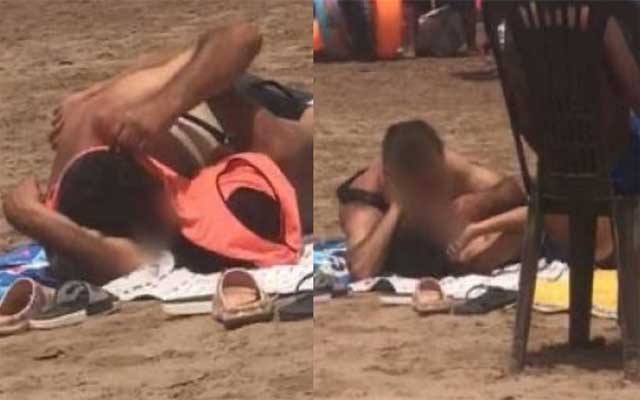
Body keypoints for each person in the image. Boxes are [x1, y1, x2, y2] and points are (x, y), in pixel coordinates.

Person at [2, 22, 313, 285]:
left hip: (223, 95)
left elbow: (242, 35)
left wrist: (163, 108)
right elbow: (119, 258)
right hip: (209, 114)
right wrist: (27, 215)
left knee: (289, 151)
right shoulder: (73, 207)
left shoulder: (115, 111)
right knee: (282, 167)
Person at [338, 119, 529, 280]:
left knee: (527, 231)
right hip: (408, 249)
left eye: (434, 183)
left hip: (455, 237)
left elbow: (514, 192)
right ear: (391, 178)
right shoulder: (364, 200)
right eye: (419, 188)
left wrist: (478, 202)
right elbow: (362, 269)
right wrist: (397, 208)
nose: (428, 194)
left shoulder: (448, 166)